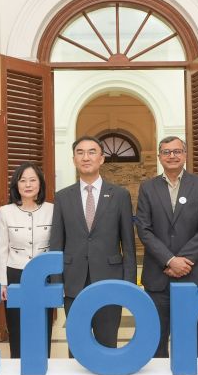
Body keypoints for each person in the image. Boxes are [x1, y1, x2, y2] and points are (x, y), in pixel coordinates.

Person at [50, 136, 137, 349]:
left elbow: (128, 244)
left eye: (91, 152)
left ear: (102, 158)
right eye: (80, 153)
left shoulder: (120, 195)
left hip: (110, 279)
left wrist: (129, 284)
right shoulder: (62, 197)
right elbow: (56, 243)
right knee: (77, 343)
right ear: (73, 159)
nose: (85, 157)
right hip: (73, 281)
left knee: (107, 341)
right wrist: (57, 282)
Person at [136, 135, 198, 358]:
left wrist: (182, 261)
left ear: (185, 155)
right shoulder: (148, 187)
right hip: (158, 275)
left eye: (177, 151)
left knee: (191, 337)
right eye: (167, 152)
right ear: (160, 156)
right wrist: (170, 260)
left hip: (192, 273)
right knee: (156, 338)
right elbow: (144, 229)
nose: (172, 156)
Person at [0, 162, 55, 359]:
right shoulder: (5, 211)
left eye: (32, 180)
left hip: (44, 277)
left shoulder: (52, 210)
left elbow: (57, 247)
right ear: (16, 184)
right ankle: (17, 364)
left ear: (40, 184)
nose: (28, 185)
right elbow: (2, 249)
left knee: (43, 325)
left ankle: (43, 364)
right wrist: (2, 283)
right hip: (15, 274)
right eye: (23, 180)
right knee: (17, 326)